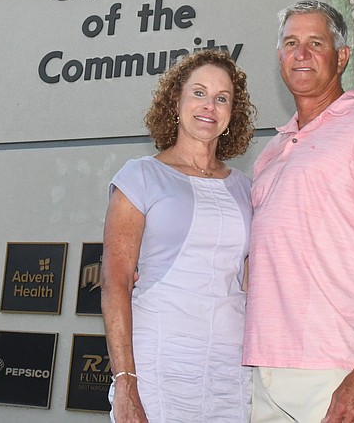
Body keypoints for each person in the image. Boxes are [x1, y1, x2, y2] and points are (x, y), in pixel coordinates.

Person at [244, 0, 354, 423]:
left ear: (341, 57)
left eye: (315, 42)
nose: (300, 54)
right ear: (280, 57)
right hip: (261, 368)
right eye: (290, 43)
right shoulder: (270, 152)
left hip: (332, 368)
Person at [102, 49, 257, 422]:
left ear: (232, 114)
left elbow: (253, 284)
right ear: (177, 100)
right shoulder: (139, 177)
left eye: (223, 98)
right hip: (158, 362)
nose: (210, 106)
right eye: (199, 93)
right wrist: (126, 383)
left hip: (232, 369)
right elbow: (114, 284)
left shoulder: (247, 189)